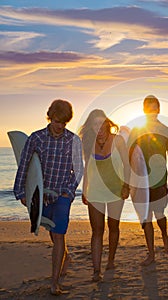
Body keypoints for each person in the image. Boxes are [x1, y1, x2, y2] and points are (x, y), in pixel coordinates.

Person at [13, 99, 84, 295]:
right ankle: (65, 257)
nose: (59, 126)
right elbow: (25, 165)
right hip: (42, 196)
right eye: (56, 121)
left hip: (62, 195)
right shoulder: (36, 138)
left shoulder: (73, 140)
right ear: (50, 117)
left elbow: (78, 170)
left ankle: (55, 282)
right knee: (53, 233)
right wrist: (21, 192)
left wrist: (68, 192)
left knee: (59, 234)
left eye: (63, 122)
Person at [79, 109, 130, 281]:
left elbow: (127, 165)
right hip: (95, 191)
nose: (99, 127)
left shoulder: (118, 141)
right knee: (97, 231)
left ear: (108, 124)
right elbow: (87, 168)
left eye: (102, 123)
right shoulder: (87, 143)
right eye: (95, 124)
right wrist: (84, 189)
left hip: (116, 190)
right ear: (90, 127)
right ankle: (96, 270)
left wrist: (127, 186)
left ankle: (111, 260)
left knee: (113, 227)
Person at [127, 95, 168, 266]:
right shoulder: (136, 131)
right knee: (146, 219)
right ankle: (151, 253)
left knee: (159, 214)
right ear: (144, 110)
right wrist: (127, 182)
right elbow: (129, 157)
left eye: (154, 108)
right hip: (140, 183)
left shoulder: (167, 131)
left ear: (159, 110)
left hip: (159, 181)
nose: (151, 112)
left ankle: (164, 234)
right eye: (148, 109)